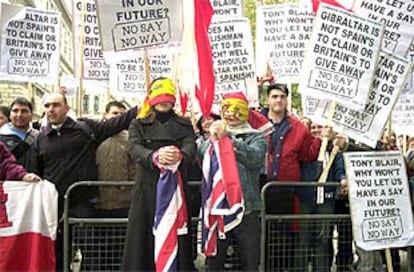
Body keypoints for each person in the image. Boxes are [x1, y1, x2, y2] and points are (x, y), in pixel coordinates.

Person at [35, 92, 138, 270]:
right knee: (56, 251)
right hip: (52, 205)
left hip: (83, 203)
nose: (51, 110)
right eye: (47, 106)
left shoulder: (85, 129)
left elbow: (116, 123)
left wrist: (141, 106)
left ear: (67, 108)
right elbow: (36, 170)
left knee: (91, 253)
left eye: (56, 105)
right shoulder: (41, 138)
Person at [122, 78, 196, 271]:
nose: (164, 102)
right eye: (160, 97)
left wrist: (178, 156)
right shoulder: (138, 123)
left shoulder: (184, 124)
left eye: (168, 97)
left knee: (178, 238)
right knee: (142, 240)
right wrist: (153, 157)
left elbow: (191, 146)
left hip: (176, 191)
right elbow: (134, 147)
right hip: (146, 191)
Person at [259, 81, 332, 270]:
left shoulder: (298, 127)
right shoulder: (256, 121)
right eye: (275, 96)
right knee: (262, 234)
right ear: (268, 99)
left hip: (287, 190)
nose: (279, 100)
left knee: (285, 236)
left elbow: (308, 153)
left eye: (282, 97)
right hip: (260, 187)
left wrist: (323, 139)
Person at [198, 92, 268, 271]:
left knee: (250, 261)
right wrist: (215, 138)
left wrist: (228, 139)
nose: (233, 114)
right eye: (228, 109)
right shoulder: (212, 136)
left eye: (239, 109)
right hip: (219, 208)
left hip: (247, 209)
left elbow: (255, 158)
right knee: (215, 261)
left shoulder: (256, 137)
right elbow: (202, 155)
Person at [298, 121, 347, 272]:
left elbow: (340, 169)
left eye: (321, 127)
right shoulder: (306, 149)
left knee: (324, 239)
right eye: (314, 127)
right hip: (307, 199)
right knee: (304, 239)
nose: (317, 130)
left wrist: (343, 180)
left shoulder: (334, 151)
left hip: (327, 200)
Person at [94, 101, 136, 218]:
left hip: (124, 202)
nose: (118, 117)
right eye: (115, 113)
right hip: (98, 202)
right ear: (105, 114)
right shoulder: (93, 136)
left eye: (122, 114)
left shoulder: (132, 139)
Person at [0, 97, 39, 173]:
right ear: (10, 115)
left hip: (34, 182)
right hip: (8, 183)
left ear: (31, 115)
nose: (19, 115)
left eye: (24, 111)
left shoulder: (39, 137)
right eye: (15, 111)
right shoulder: (1, 138)